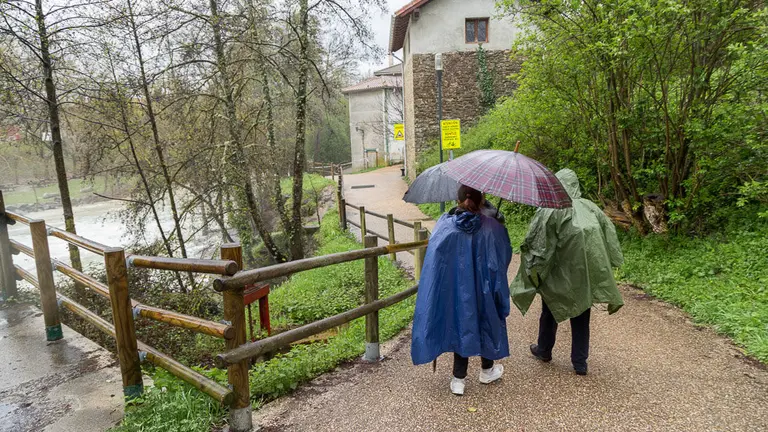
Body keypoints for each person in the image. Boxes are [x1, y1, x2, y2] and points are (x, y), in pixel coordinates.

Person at [510, 169, 624, 376]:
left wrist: (533, 271)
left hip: (558, 273)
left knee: (550, 309)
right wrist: (613, 261)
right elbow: (610, 236)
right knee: (581, 314)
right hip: (586, 274)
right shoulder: (592, 208)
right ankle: (580, 362)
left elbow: (538, 244)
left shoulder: (551, 209)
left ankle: (544, 349)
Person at [411, 185, 513, 395]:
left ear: (457, 199)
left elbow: (434, 263)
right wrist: (495, 218)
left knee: (461, 321)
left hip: (456, 290)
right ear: (481, 199)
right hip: (484, 290)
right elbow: (501, 260)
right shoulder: (492, 227)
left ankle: (459, 379)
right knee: (486, 320)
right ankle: (487, 369)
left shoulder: (444, 226)